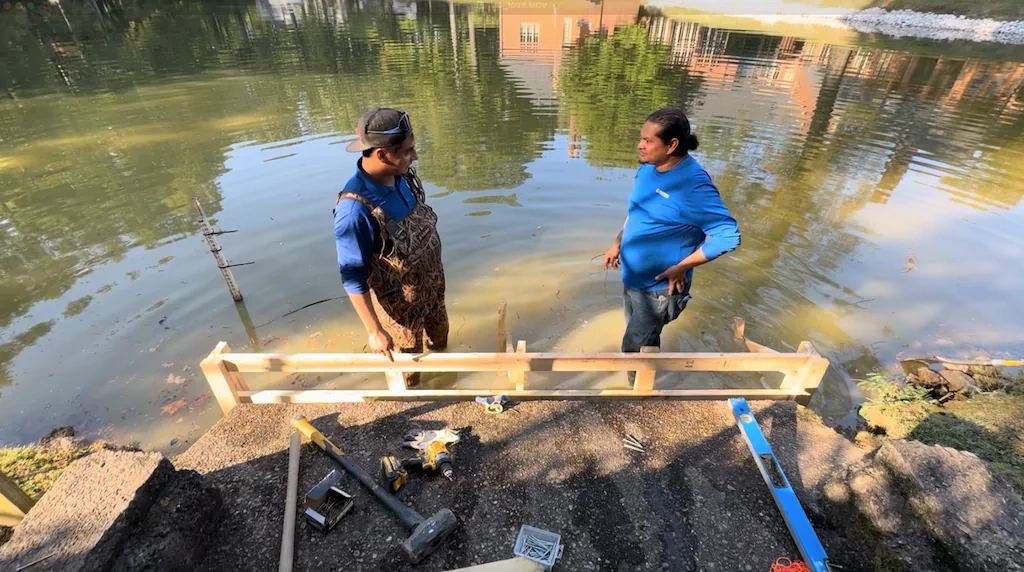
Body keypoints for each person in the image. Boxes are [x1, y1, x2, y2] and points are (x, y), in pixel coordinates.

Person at [603, 107, 740, 369]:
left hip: (658, 290)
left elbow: (728, 236)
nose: (639, 145)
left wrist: (683, 266)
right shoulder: (647, 168)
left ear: (672, 144)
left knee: (633, 348)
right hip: (632, 278)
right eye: (641, 138)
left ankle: (634, 397)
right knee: (643, 338)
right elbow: (637, 211)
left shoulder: (694, 186)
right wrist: (618, 241)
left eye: (648, 140)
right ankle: (643, 380)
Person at [335, 108, 448, 385]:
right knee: (408, 378)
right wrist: (374, 330)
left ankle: (448, 383)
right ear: (382, 155)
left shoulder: (402, 177)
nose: (415, 156)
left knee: (442, 347)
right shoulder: (354, 209)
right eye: (409, 151)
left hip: (433, 293)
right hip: (400, 314)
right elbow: (352, 277)